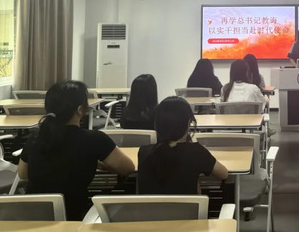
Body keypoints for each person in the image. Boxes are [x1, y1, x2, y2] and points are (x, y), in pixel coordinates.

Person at [18, 80, 135, 220]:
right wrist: (101, 165)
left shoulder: (35, 137)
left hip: (31, 217)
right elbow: (128, 168)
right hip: (73, 218)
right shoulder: (94, 139)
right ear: (80, 110)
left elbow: (22, 173)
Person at [138, 96, 228, 194]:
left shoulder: (144, 152)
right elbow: (224, 174)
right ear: (189, 123)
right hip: (189, 205)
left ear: (157, 124)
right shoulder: (197, 152)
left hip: (151, 205)